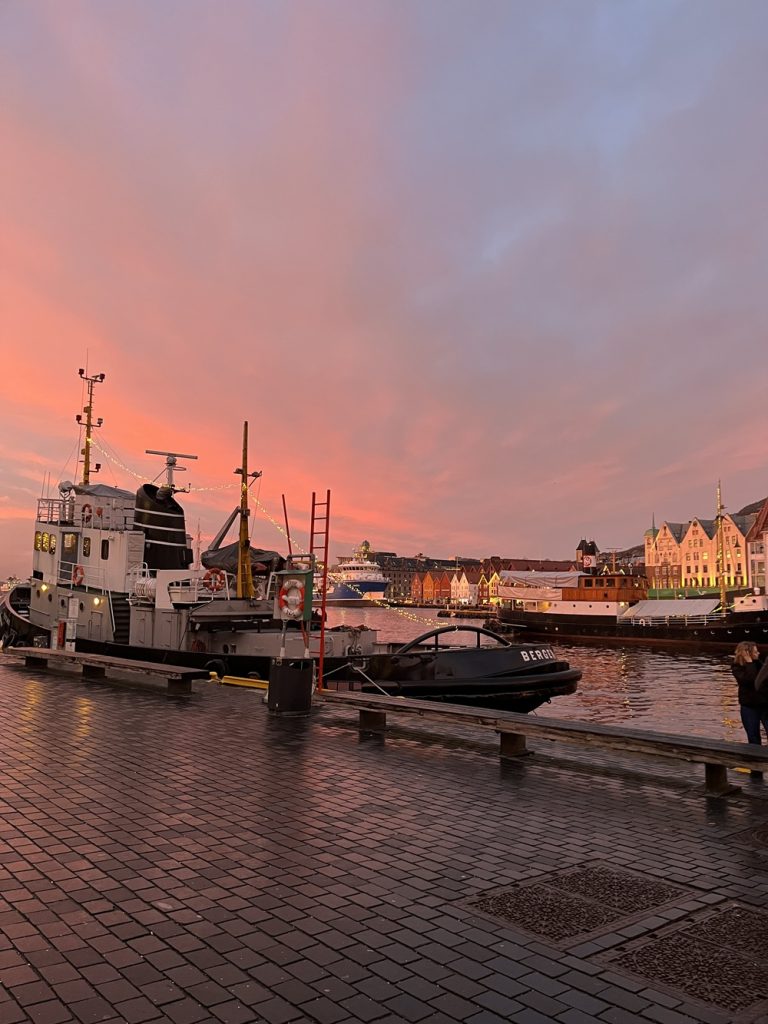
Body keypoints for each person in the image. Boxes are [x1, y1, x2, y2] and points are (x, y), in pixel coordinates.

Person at [731, 642, 768, 746]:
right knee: (753, 736)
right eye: (755, 652)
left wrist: (754, 663)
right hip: (749, 706)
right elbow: (750, 680)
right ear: (747, 654)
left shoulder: (760, 664)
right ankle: (755, 759)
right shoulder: (737, 667)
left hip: (765, 705)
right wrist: (749, 663)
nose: (759, 653)